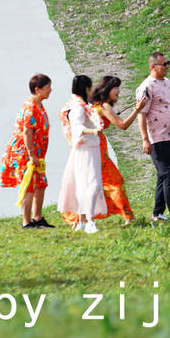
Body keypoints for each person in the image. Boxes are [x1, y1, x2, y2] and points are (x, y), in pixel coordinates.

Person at [60, 75, 148, 227]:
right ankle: (125, 216)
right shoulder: (104, 107)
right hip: (97, 148)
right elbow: (123, 125)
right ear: (107, 89)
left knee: (93, 182)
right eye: (116, 88)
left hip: (94, 146)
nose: (118, 92)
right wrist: (137, 110)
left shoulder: (93, 104)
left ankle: (82, 218)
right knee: (114, 181)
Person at [0, 74, 54, 229]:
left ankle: (37, 217)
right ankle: (26, 221)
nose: (50, 90)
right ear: (37, 90)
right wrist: (32, 154)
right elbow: (27, 133)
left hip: (37, 152)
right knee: (29, 184)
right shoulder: (30, 107)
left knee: (41, 184)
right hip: (25, 153)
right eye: (47, 87)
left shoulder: (39, 104)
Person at [136, 52, 170, 222]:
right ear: (153, 67)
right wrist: (145, 139)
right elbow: (141, 115)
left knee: (164, 176)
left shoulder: (168, 83)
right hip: (157, 137)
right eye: (164, 64)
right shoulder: (146, 87)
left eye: (167, 63)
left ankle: (157, 213)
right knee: (167, 174)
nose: (167, 67)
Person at [58, 74, 107, 233]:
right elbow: (77, 128)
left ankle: (82, 220)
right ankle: (90, 221)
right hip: (86, 148)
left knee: (82, 184)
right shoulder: (78, 107)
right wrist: (93, 131)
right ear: (86, 89)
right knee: (91, 184)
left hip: (85, 148)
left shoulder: (74, 104)